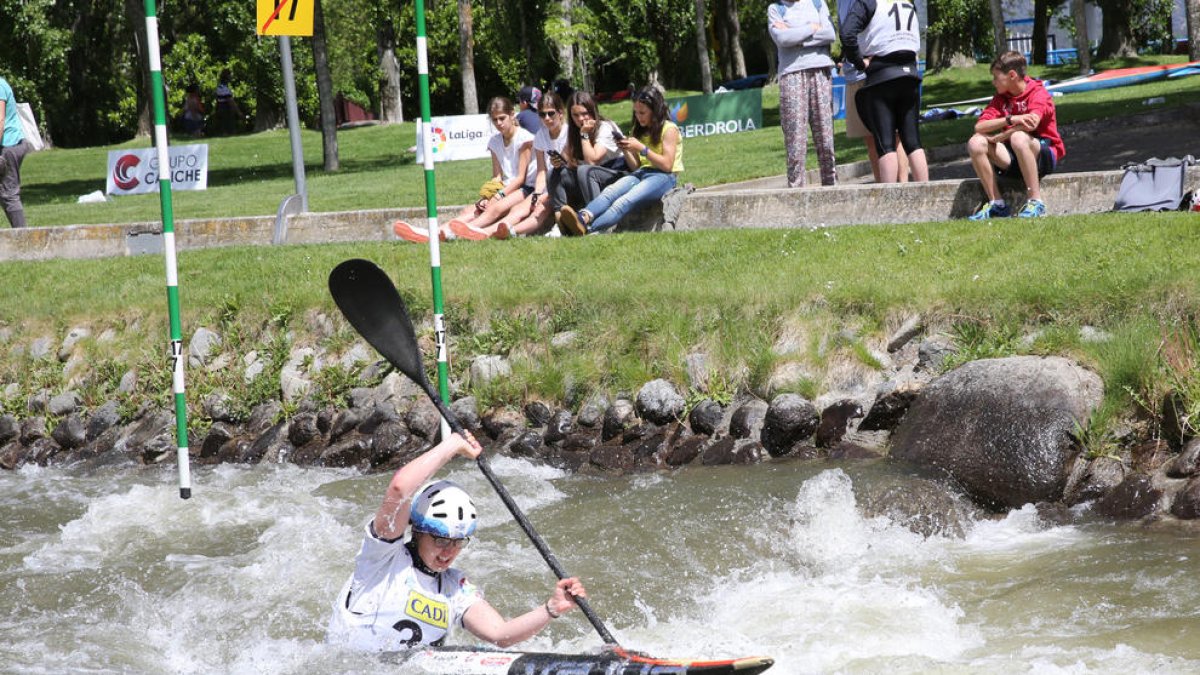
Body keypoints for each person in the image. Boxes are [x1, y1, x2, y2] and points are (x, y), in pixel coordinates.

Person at [327, 431, 588, 650]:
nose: (449, 552)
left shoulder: (455, 588)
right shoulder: (382, 558)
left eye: (458, 542)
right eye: (441, 540)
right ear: (417, 531)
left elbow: (499, 634)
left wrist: (552, 608)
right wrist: (451, 445)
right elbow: (399, 489)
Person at [393, 97, 536, 243]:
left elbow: (520, 178)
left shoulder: (524, 139)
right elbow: (497, 177)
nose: (499, 123)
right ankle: (435, 232)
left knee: (495, 208)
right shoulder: (494, 141)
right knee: (470, 210)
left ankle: (455, 232)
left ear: (512, 115)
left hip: (526, 188)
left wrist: (499, 196)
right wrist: (488, 196)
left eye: (502, 118)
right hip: (506, 188)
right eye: (495, 120)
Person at [558, 87, 683, 235]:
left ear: (654, 110)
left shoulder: (669, 129)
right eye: (636, 112)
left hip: (664, 177)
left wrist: (642, 148)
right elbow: (636, 166)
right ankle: (582, 218)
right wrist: (624, 148)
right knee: (609, 193)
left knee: (623, 202)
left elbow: (667, 165)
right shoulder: (639, 129)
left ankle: (588, 229)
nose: (638, 117)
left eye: (642, 113)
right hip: (642, 173)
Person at [966, 50, 1065, 220]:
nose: (993, 82)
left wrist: (1002, 136)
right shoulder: (1001, 98)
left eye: (996, 77)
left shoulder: (1038, 93)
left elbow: (1032, 123)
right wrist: (1010, 119)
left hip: (1043, 154)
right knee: (975, 143)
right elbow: (980, 127)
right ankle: (997, 204)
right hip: (1013, 157)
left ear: (1011, 75)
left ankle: (1035, 201)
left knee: (1018, 138)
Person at [839, 0, 928, 183]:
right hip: (910, 74)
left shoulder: (868, 3)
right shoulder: (908, 2)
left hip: (882, 76)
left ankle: (889, 200)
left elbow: (847, 34)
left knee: (885, 144)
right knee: (913, 141)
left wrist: (859, 62)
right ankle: (927, 191)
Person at [768, 0, 837, 188]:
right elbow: (782, 39)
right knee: (795, 143)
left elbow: (830, 33)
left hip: (820, 70)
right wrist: (812, 28)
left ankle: (832, 191)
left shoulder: (817, 3)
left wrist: (795, 35)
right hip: (791, 74)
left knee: (826, 140)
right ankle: (797, 196)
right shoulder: (776, 9)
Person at [550, 91, 629, 233]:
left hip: (617, 175)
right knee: (553, 173)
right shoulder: (575, 132)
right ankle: (560, 220)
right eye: (575, 115)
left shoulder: (605, 127)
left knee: (585, 170)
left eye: (584, 113)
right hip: (591, 177)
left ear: (593, 110)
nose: (580, 119)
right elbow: (566, 158)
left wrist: (584, 135)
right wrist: (558, 163)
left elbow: (592, 160)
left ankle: (595, 221)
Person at [0, 74, 29, 229]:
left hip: (8, 147)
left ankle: (23, 239)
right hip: (8, 145)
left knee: (9, 194)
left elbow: (0, 120)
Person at [211, 69, 242, 136]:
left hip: (219, 108)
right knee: (228, 130)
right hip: (226, 110)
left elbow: (217, 99)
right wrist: (238, 112)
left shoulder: (219, 87)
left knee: (222, 129)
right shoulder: (225, 89)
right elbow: (230, 101)